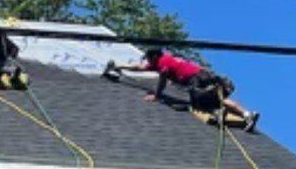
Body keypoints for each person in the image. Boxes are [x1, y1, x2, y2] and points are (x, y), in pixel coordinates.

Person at [109, 48, 259, 131]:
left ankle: (217, 112)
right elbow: (138, 68)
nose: (147, 61)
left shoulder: (163, 61)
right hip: (203, 74)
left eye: (148, 58)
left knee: (198, 103)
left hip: (196, 78)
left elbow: (162, 80)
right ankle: (247, 115)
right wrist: (118, 66)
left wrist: (156, 95)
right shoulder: (159, 62)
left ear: (154, 56)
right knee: (219, 100)